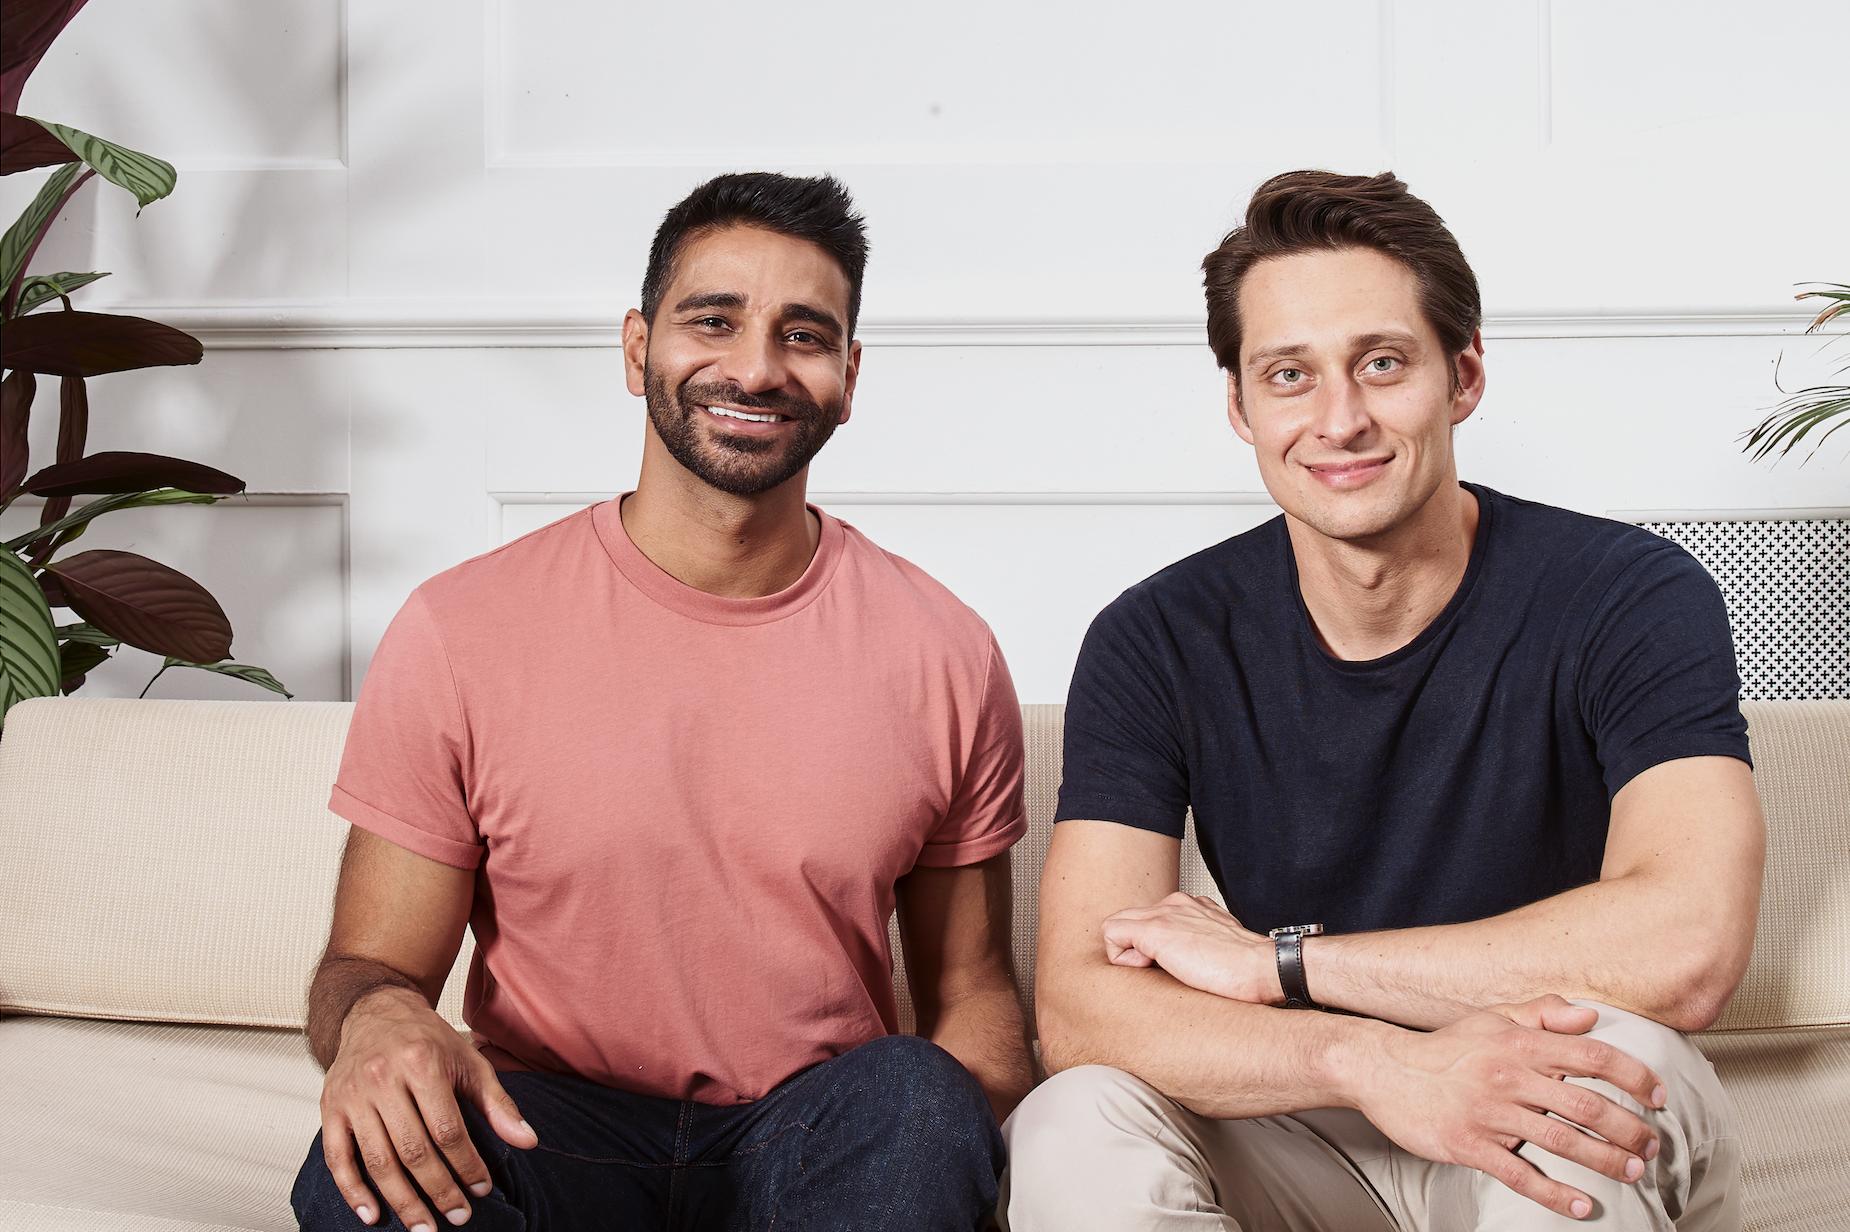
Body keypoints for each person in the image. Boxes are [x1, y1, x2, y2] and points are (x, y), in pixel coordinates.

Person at [1003, 171, 1762, 1231]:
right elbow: (1084, 1008)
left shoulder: (1630, 593)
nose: (1340, 419)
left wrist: (1283, 962)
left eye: (1383, 363)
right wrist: (1365, 1060)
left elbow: (1687, 945)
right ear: (1241, 407)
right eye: (1289, 375)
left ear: (1463, 376)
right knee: (1072, 1121)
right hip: (1306, 1119)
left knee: (1588, 1086)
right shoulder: (1157, 635)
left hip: (1547, 1077)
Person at [291, 172, 1033, 1232]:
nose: (756, 367)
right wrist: (374, 1017)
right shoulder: (462, 628)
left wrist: (959, 1153)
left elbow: (972, 996)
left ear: (848, 377)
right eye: (713, 321)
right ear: (638, 348)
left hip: (814, 1139)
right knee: (354, 1174)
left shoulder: (945, 650)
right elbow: (370, 963)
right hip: (544, 1132)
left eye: (804, 335)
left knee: (921, 1092)